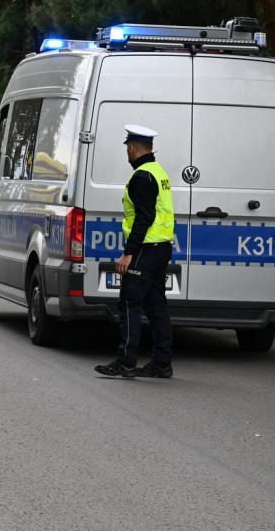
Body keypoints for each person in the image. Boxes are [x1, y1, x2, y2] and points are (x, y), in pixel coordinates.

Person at [95, 125, 175, 379]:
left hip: (145, 248)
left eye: (127, 149)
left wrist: (129, 252)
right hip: (161, 247)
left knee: (129, 301)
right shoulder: (158, 171)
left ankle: (126, 361)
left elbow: (145, 217)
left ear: (131, 147)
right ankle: (162, 363)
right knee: (156, 306)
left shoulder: (141, 176)